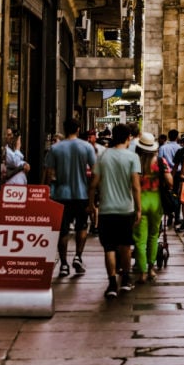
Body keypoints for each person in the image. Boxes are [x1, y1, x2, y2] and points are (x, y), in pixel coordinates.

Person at [89, 122, 141, 297]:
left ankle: (112, 284)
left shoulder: (103, 157)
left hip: (106, 209)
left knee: (109, 247)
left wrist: (91, 204)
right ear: (128, 138)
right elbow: (135, 186)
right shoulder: (132, 157)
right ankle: (125, 279)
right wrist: (139, 208)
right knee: (125, 246)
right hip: (126, 209)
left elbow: (94, 184)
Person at [45, 118, 97, 278]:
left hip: (61, 195)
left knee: (63, 231)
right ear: (78, 129)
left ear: (64, 128)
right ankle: (78, 257)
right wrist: (92, 195)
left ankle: (64, 265)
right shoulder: (87, 147)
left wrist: (47, 191)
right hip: (81, 194)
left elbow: (49, 173)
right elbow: (96, 172)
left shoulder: (55, 148)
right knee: (82, 227)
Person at [133, 133, 173, 283]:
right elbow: (170, 182)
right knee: (153, 236)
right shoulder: (161, 162)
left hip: (139, 203)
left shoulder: (135, 162)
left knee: (139, 239)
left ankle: (142, 272)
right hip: (156, 202)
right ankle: (151, 269)